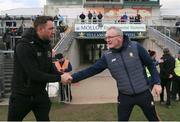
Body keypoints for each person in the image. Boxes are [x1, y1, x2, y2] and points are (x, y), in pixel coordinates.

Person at [63, 26, 162, 121]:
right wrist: (72, 78)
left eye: (110, 37)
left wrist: (157, 83)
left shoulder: (136, 47)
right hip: (125, 96)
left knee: (153, 119)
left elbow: (150, 64)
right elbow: (90, 70)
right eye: (106, 37)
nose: (107, 40)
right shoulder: (107, 56)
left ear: (119, 38)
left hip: (144, 93)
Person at [7, 16, 71, 121]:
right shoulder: (24, 46)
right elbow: (34, 74)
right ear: (40, 29)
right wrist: (59, 79)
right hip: (21, 96)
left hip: (40, 94)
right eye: (51, 29)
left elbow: (49, 67)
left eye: (53, 28)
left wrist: (63, 76)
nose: (54, 31)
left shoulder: (47, 45)